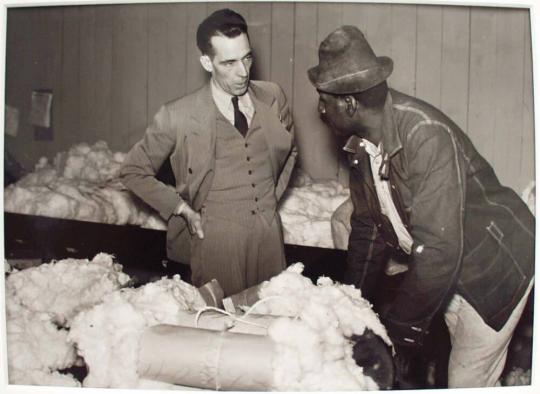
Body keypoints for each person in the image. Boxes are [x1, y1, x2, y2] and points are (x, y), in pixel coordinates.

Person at [308, 25, 534, 388]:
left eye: (324, 100)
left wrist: (397, 335)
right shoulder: (361, 145)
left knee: (466, 380)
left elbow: (440, 250)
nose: (320, 110)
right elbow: (367, 229)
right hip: (452, 267)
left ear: (350, 103)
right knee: (452, 363)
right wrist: (352, 309)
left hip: (494, 267)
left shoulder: (425, 135)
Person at [120, 9, 297, 296]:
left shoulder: (272, 97)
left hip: (269, 236)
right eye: (229, 63)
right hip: (216, 238)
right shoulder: (178, 114)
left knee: (272, 321)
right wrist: (181, 209)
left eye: (247, 57)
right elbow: (133, 171)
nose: (243, 72)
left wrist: (271, 198)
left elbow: (290, 150)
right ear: (207, 62)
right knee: (220, 326)